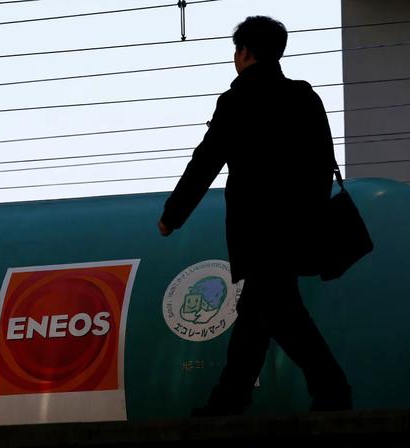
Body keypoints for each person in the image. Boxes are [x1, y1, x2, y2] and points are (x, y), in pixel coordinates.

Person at [157, 15, 352, 415]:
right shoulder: (304, 97)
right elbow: (323, 162)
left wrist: (172, 216)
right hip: (298, 226)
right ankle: (230, 398)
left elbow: (205, 162)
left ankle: (332, 388)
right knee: (257, 313)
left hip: (257, 230)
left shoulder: (237, 101)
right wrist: (310, 212)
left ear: (244, 52)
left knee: (279, 311)